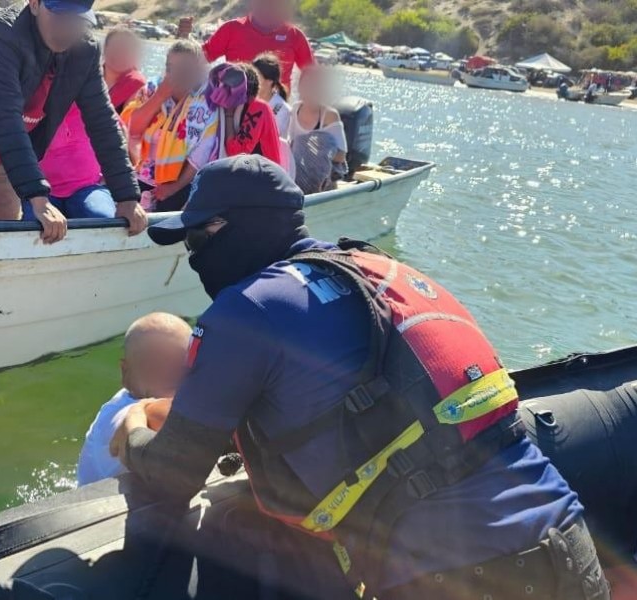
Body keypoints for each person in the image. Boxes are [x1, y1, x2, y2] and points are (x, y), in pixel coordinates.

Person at [110, 155, 609, 599]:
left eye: (198, 237)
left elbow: (172, 473)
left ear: (230, 229)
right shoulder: (382, 272)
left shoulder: (247, 310)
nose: (194, 254)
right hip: (572, 546)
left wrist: (132, 425)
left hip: (456, 577)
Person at [0, 0, 146, 244]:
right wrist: (38, 197)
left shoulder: (85, 49)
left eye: (77, 18)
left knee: (4, 232)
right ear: (34, 4)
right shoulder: (1, 34)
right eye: (59, 14)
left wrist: (127, 196)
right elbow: (4, 117)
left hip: (0, 151)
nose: (67, 26)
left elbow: (103, 121)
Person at [30, 26, 146, 220]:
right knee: (25, 224)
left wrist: (126, 195)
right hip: (36, 191)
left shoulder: (92, 98)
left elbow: (118, 139)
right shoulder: (31, 97)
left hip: (86, 187)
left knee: (105, 220)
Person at [77, 313, 191, 485]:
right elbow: (174, 418)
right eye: (156, 367)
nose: (172, 376)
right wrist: (141, 409)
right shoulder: (119, 416)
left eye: (183, 369)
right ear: (126, 373)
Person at [124, 40, 217, 213]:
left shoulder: (207, 101)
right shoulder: (152, 88)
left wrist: (173, 188)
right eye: (171, 68)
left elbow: (202, 153)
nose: (177, 74)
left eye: (184, 69)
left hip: (182, 183)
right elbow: (133, 129)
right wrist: (160, 96)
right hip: (142, 175)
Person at [202, 0, 313, 92]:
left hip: (277, 112)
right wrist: (185, 37)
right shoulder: (231, 29)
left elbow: (311, 73)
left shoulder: (294, 35)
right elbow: (199, 58)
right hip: (234, 109)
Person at [290, 65, 347, 188]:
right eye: (306, 85)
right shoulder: (295, 109)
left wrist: (312, 150)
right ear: (299, 87)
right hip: (298, 175)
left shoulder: (330, 115)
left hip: (325, 180)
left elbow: (341, 156)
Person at [219, 63, 283, 166]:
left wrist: (229, 115)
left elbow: (236, 153)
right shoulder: (228, 106)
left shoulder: (258, 108)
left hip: (264, 175)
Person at [252, 52, 291, 137]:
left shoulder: (282, 110)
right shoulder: (247, 102)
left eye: (256, 77)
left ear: (270, 81)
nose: (252, 81)